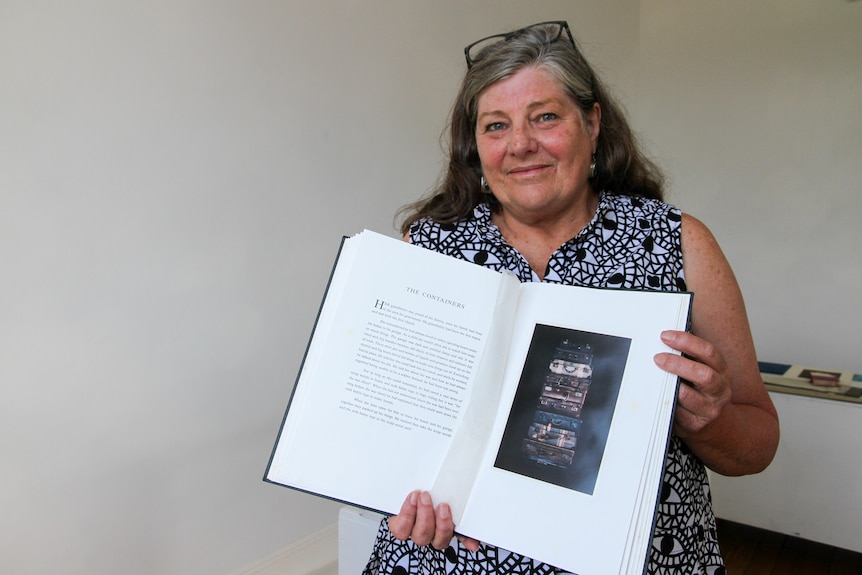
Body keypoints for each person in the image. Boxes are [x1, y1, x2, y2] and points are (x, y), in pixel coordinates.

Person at [362, 21, 779, 575]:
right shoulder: (429, 251)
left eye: (545, 116)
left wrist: (710, 419)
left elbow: (758, 445)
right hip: (455, 559)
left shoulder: (678, 243)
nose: (520, 144)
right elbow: (393, 433)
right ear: (476, 146)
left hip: (638, 559)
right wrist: (397, 492)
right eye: (496, 125)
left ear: (592, 122)